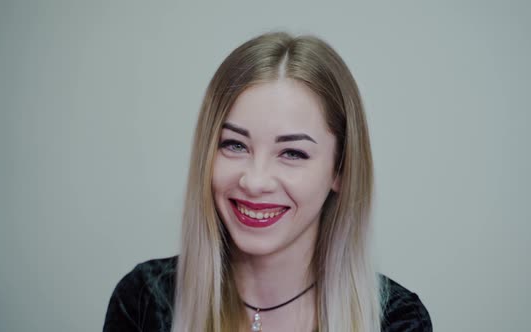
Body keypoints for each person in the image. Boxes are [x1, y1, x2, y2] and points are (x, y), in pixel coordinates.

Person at [103, 31, 432, 332]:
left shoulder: (397, 322)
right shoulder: (145, 302)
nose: (255, 181)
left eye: (292, 153)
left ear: (340, 171)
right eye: (235, 145)